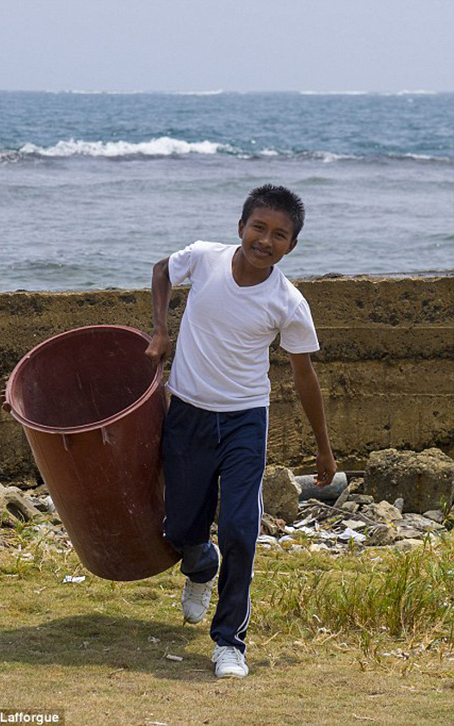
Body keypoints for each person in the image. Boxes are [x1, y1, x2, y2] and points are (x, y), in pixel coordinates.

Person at [145, 184, 336, 679]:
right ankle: (199, 566)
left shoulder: (288, 303)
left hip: (245, 420)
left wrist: (323, 448)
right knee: (181, 526)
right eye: (259, 228)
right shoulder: (206, 259)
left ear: (291, 245)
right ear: (240, 227)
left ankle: (229, 641)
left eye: (280, 235)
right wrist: (161, 329)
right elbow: (162, 269)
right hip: (187, 411)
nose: (266, 240)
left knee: (239, 530)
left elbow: (304, 375)